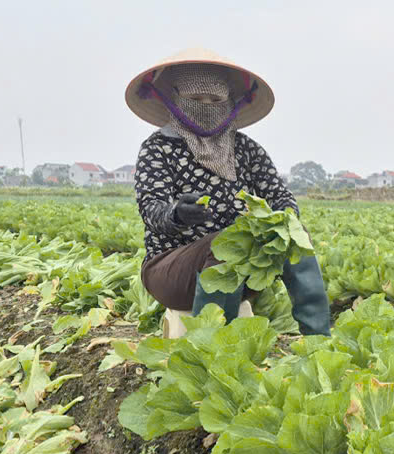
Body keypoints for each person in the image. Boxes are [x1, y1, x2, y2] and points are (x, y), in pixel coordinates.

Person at [124, 48, 330, 335]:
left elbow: (280, 196)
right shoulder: (157, 148)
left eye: (215, 99)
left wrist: (283, 218)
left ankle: (319, 340)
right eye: (195, 99)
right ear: (174, 100)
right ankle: (211, 347)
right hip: (172, 270)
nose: (206, 106)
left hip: (243, 272)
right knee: (226, 244)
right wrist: (178, 213)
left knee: (295, 234)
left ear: (230, 102)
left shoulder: (247, 150)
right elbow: (152, 211)